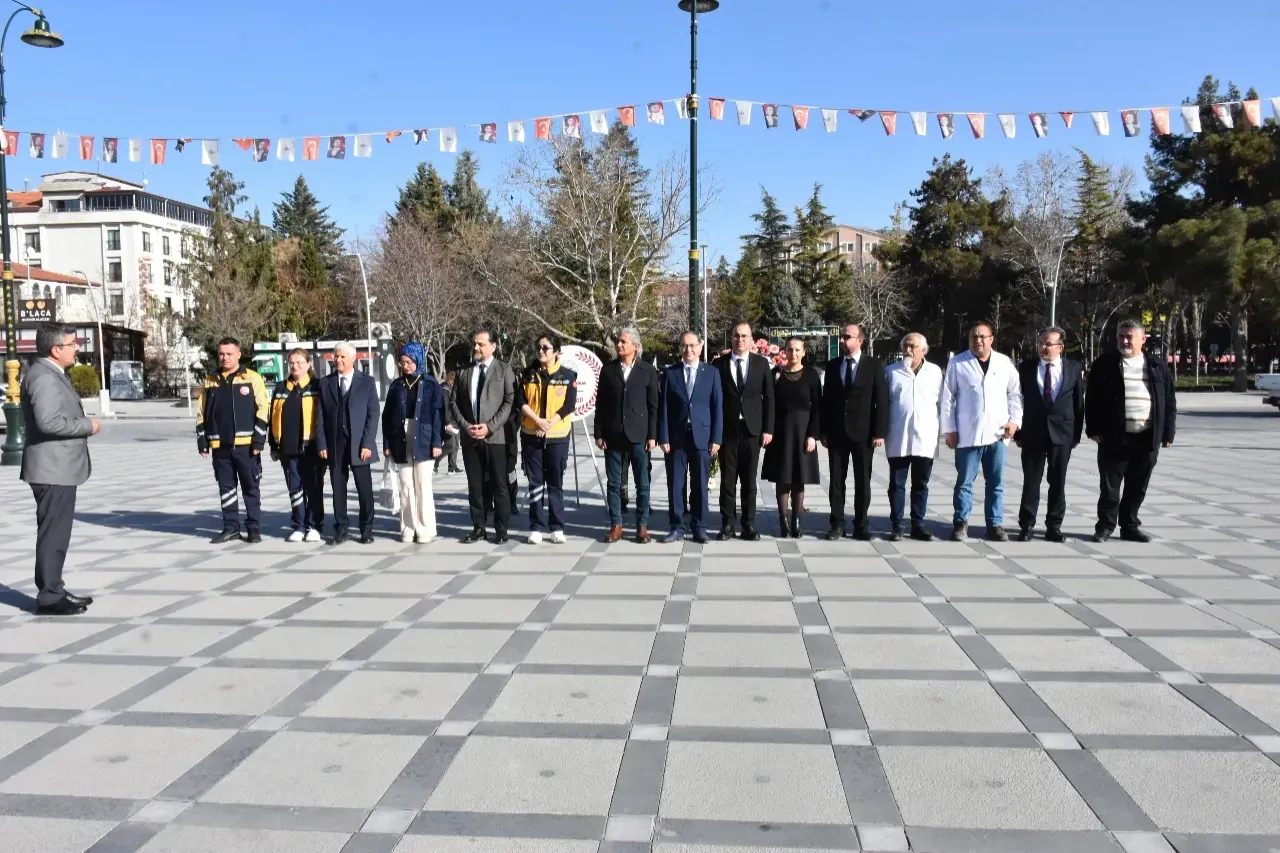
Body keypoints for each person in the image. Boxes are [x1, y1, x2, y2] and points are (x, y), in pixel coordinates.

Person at [20, 323, 100, 615]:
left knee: (56, 532)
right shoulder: (44, 377)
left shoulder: (51, 372)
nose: (77, 347)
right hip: (52, 469)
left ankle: (54, 587)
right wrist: (87, 426)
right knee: (54, 533)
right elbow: (49, 422)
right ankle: (50, 596)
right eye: (72, 344)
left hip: (57, 468)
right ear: (56, 350)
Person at [1085, 321, 1176, 543]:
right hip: (1114, 437)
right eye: (1121, 336)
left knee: (1138, 486)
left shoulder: (1156, 365)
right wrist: (1093, 429)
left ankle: (1129, 526)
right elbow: (1092, 400)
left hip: (1147, 437)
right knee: (1109, 488)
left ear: (1142, 339)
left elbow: (1170, 401)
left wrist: (1168, 433)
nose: (1124, 341)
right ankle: (1105, 527)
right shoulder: (1105, 364)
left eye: (1129, 337)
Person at [941, 323, 1022, 542]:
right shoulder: (958, 363)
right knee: (964, 483)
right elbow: (947, 399)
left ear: (991, 339)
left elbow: (1015, 394)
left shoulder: (1004, 363)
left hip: (997, 434)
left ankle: (994, 524)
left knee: (995, 483)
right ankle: (960, 522)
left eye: (982, 337)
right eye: (973, 337)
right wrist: (949, 430)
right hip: (967, 435)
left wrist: (1014, 422)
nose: (978, 341)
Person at [196, 337, 270, 544]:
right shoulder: (210, 380)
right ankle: (230, 527)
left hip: (246, 446)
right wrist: (202, 440)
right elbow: (201, 412)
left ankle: (253, 528)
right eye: (221, 354)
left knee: (250, 487)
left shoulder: (252, 378)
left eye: (229, 354)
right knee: (226, 488)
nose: (225, 357)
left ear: (238, 354)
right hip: (220, 446)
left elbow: (263, 409)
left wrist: (258, 441)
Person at [1015, 327, 1084, 542]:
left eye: (1048, 344)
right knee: (1031, 482)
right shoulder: (1026, 368)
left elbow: (1078, 404)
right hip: (1032, 432)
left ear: (1060, 347)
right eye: (1041, 343)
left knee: (1058, 482)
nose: (1043, 347)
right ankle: (1026, 525)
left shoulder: (1073, 369)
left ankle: (1054, 526)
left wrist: (1076, 435)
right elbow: (1018, 400)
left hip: (1062, 434)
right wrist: (1018, 431)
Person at [820, 324, 888, 540]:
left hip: (864, 433)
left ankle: (861, 524)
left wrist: (879, 432)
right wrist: (823, 430)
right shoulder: (832, 366)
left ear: (860, 341)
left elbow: (881, 401)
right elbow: (826, 401)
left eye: (847, 337)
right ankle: (837, 524)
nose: (842, 340)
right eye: (842, 336)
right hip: (837, 433)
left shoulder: (874, 366)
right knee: (837, 481)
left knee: (862, 481)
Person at [450, 328, 518, 543]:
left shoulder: (504, 370)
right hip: (471, 438)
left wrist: (490, 427)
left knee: (499, 485)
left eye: (481, 344)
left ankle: (501, 529)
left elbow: (509, 402)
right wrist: (466, 426)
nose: (476, 347)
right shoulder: (464, 372)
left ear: (493, 346)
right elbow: (453, 402)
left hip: (496, 438)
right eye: (475, 343)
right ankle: (479, 526)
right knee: (475, 486)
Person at [595, 326, 660, 543]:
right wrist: (599, 432)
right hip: (613, 434)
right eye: (618, 341)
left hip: (639, 435)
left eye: (624, 341)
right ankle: (616, 525)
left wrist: (653, 435)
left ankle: (642, 526)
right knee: (614, 484)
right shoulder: (608, 370)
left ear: (635, 345)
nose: (619, 344)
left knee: (642, 483)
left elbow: (653, 407)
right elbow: (601, 404)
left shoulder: (648, 371)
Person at [712, 322, 775, 540]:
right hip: (728, 431)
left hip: (752, 430)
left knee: (749, 481)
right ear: (731, 339)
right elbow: (714, 400)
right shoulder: (718, 365)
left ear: (751, 340)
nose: (740, 339)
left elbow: (769, 398)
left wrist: (768, 429)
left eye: (744, 336)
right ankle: (727, 524)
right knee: (728, 481)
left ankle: (749, 524)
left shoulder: (761, 364)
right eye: (737, 335)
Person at [659, 331, 723, 543]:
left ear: (700, 346)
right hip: (677, 438)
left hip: (702, 437)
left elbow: (717, 407)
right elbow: (664, 407)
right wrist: (664, 436)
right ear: (679, 348)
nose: (689, 350)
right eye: (684, 346)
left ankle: (700, 526)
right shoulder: (670, 373)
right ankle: (676, 526)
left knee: (700, 485)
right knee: (676, 484)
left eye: (693, 345)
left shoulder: (711, 373)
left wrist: (716, 437)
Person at [316, 342, 380, 544]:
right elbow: (319, 417)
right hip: (335, 444)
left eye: (343, 357)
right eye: (336, 356)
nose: (338, 360)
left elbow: (373, 414)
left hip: (360, 444)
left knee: (364, 488)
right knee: (338, 488)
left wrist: (367, 443)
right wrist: (322, 444)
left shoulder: (366, 382)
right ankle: (341, 527)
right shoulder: (325, 383)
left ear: (353, 359)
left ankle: (366, 528)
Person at [383, 342, 445, 543]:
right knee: (405, 484)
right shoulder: (396, 385)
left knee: (423, 485)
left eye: (408, 362)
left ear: (418, 360)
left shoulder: (430, 384)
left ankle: (424, 527)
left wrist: (437, 442)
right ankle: (408, 526)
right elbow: (387, 416)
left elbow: (438, 414)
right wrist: (387, 443)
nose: (405, 366)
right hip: (400, 436)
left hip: (424, 436)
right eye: (402, 362)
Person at [518, 334, 578, 544]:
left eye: (546, 347)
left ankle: (557, 526)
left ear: (556, 351)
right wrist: (537, 421)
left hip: (557, 436)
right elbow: (521, 401)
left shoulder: (568, 375)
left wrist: (549, 422)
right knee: (535, 483)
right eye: (538, 347)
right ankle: (536, 526)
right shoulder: (527, 374)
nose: (541, 351)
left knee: (555, 482)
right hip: (531, 434)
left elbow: (569, 405)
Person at [884, 333, 943, 542]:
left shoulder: (935, 372)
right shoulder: (891, 372)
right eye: (905, 346)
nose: (908, 350)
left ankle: (918, 523)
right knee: (897, 484)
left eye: (912, 346)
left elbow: (942, 403)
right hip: (898, 436)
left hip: (925, 437)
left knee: (921, 483)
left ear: (923, 350)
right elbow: (883, 404)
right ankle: (897, 524)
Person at [761, 337, 821, 538]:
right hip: (781, 431)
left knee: (798, 477)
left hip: (803, 432)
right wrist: (768, 430)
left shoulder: (811, 375)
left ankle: (796, 520)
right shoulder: (776, 374)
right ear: (783, 352)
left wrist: (813, 435)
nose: (793, 353)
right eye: (789, 349)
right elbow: (768, 404)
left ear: (804, 352)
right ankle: (783, 520)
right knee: (782, 477)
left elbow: (818, 408)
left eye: (797, 350)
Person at [268, 348, 325, 543]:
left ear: (309, 364)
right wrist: (273, 446)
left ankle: (314, 526)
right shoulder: (281, 388)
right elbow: (272, 418)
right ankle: (298, 526)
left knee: (313, 487)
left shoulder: (318, 386)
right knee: (295, 487)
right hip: (288, 447)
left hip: (313, 447)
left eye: (300, 362)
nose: (295, 366)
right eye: (292, 363)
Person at [436, 371, 461, 475]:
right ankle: (435, 461)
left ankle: (452, 467)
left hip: (455, 421)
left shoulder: (452, 389)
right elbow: (445, 408)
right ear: (451, 380)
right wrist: (447, 422)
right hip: (447, 421)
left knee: (455, 445)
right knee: (450, 445)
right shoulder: (444, 390)